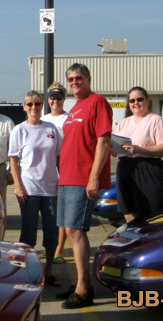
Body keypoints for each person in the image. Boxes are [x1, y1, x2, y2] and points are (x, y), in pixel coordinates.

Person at [56, 63, 112, 309]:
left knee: (76, 230)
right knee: (69, 231)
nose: (74, 82)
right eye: (70, 79)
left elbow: (104, 140)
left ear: (88, 79)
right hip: (66, 178)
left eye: (78, 77)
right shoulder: (74, 108)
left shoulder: (98, 102)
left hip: (83, 177)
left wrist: (94, 177)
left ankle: (84, 290)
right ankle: (81, 281)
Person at [9, 91, 62, 287]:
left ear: (42, 106)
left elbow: (58, 158)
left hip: (50, 188)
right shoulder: (19, 130)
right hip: (29, 188)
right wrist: (18, 186)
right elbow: (13, 160)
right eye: (30, 104)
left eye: (37, 104)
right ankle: (26, 272)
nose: (34, 107)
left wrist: (62, 182)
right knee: (28, 233)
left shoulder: (51, 128)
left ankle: (49, 271)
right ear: (24, 107)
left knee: (52, 232)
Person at [114, 86, 163, 223]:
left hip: (148, 168)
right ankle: (135, 235)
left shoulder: (156, 120)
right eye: (132, 100)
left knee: (153, 214)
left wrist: (139, 150)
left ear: (147, 101)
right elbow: (115, 151)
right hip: (125, 168)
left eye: (139, 99)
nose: (136, 103)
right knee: (128, 210)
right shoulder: (123, 123)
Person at [41, 82, 69, 265]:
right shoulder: (43, 119)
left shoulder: (69, 119)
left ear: (64, 99)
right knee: (50, 214)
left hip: (65, 170)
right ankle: (49, 248)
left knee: (62, 213)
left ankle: (59, 250)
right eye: (52, 97)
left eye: (59, 97)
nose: (55, 101)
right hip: (48, 173)